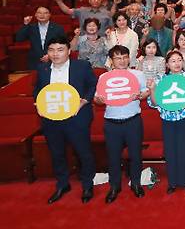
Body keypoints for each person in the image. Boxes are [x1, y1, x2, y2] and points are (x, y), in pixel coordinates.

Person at [34, 36, 97, 204]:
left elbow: (93, 85)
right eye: (51, 50)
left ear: (69, 51)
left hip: (77, 118)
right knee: (57, 154)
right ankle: (62, 184)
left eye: (60, 50)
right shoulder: (43, 69)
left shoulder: (81, 66)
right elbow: (37, 91)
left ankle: (87, 185)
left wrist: (85, 100)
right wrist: (37, 104)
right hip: (51, 119)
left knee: (83, 153)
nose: (56, 54)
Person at [96, 45, 150, 203]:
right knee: (113, 157)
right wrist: (98, 100)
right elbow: (96, 98)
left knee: (135, 155)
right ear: (111, 61)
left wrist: (141, 95)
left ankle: (136, 183)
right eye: (118, 58)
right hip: (111, 122)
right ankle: (114, 186)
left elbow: (146, 91)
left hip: (132, 121)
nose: (122, 61)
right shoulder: (104, 78)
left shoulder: (138, 74)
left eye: (125, 57)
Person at [147, 50, 185, 194]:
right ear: (167, 64)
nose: (177, 64)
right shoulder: (161, 79)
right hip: (168, 120)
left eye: (179, 60)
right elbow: (154, 103)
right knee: (170, 151)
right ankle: (173, 182)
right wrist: (152, 90)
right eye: (173, 61)